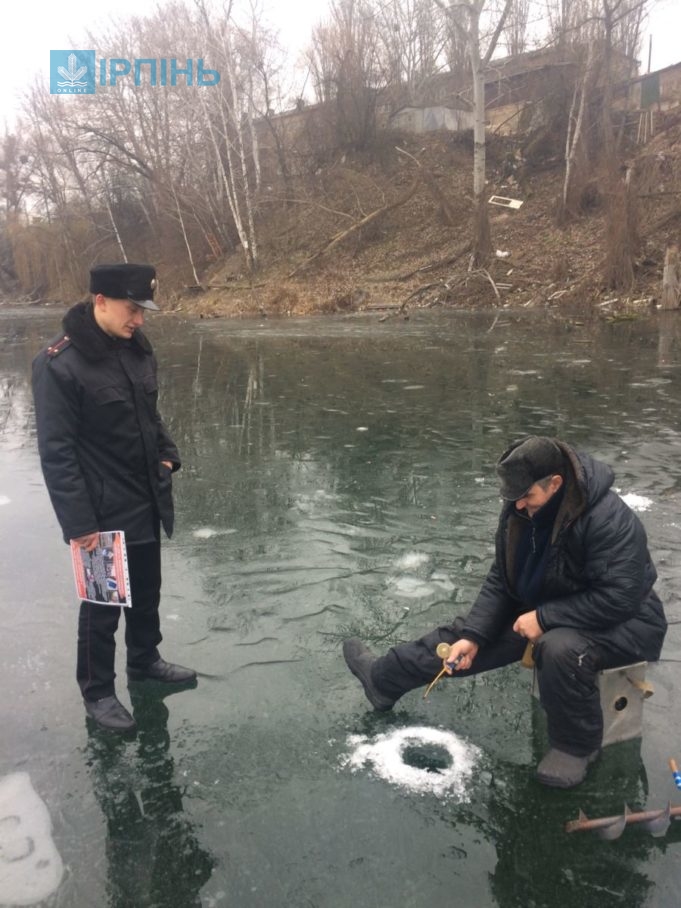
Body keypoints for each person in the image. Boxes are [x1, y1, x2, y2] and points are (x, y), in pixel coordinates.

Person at [343, 436, 667, 788]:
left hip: (627, 623)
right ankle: (384, 679)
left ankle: (575, 749)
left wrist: (544, 619)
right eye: (514, 499)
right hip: (553, 603)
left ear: (555, 483)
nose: (520, 506)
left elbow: (621, 596)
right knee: (468, 637)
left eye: (528, 497)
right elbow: (503, 576)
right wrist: (474, 635)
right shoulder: (520, 506)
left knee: (557, 646)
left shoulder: (608, 518)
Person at [32, 263, 196, 733]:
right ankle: (98, 692)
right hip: (100, 512)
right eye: (132, 309)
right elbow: (56, 453)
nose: (140, 320)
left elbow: (151, 416)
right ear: (100, 301)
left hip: (146, 497)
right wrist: (78, 523)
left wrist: (168, 457)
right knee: (102, 610)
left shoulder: (137, 349)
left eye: (144, 310)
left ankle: (145, 661)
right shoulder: (58, 364)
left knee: (147, 595)